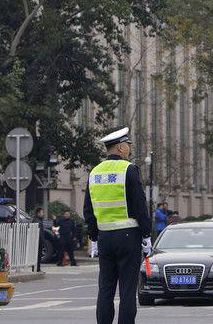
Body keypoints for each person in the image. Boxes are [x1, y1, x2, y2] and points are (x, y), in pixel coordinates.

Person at [83, 127, 151, 324]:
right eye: (128, 145)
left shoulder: (94, 172)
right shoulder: (128, 169)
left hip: (105, 238)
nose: (129, 148)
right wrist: (146, 234)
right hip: (129, 236)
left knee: (105, 289)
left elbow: (88, 208)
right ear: (120, 148)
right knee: (127, 291)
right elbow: (139, 204)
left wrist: (93, 236)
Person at [32, 208, 45, 272]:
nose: (43, 214)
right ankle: (37, 269)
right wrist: (41, 240)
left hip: (37, 240)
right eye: (42, 212)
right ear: (38, 213)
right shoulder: (37, 221)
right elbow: (39, 233)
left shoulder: (37, 220)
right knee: (37, 255)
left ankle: (37, 268)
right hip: (38, 241)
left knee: (37, 255)